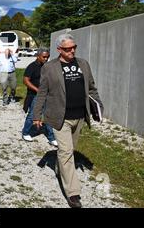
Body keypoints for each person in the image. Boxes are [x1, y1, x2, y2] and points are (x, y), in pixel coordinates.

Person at [33, 34, 103, 208]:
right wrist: (37, 115)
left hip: (79, 116)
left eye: (74, 47)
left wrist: (97, 107)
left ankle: (60, 168)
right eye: (67, 49)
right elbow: (42, 93)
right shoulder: (49, 68)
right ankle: (73, 193)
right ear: (59, 50)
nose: (72, 51)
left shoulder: (83, 64)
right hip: (60, 118)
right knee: (66, 152)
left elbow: (92, 88)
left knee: (69, 150)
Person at [21, 49, 57, 147]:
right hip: (35, 95)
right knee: (33, 114)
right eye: (44, 57)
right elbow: (25, 80)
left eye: (47, 57)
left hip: (47, 94)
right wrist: (37, 90)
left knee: (48, 115)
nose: (46, 59)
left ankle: (51, 137)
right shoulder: (32, 67)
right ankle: (25, 132)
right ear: (38, 56)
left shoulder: (48, 67)